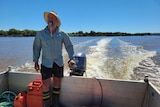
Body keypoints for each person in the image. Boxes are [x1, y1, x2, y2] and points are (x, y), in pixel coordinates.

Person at [33, 10, 75, 107]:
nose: (50, 19)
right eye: (49, 17)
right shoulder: (40, 34)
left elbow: (69, 46)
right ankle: (46, 105)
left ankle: (55, 104)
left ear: (56, 20)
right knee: (45, 85)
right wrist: (35, 61)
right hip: (46, 63)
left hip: (58, 63)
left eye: (52, 17)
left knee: (57, 84)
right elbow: (36, 47)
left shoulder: (62, 34)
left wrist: (71, 58)